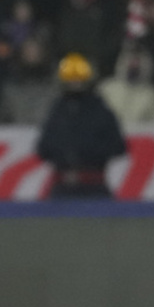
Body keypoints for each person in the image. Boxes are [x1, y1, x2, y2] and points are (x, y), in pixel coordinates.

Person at [37, 53, 127, 198]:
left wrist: (89, 154)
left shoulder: (100, 109)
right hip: (62, 188)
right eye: (71, 77)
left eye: (78, 76)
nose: (75, 81)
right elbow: (43, 147)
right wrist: (64, 156)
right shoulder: (58, 109)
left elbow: (118, 146)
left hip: (94, 186)